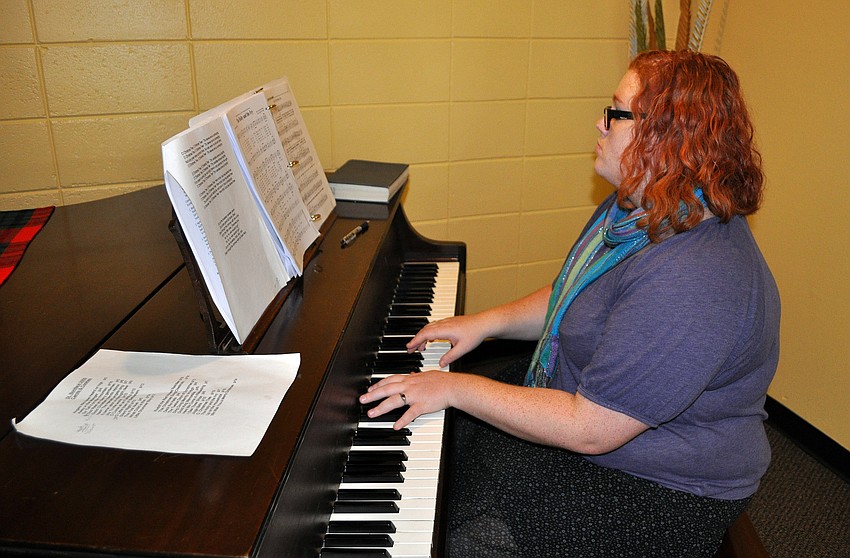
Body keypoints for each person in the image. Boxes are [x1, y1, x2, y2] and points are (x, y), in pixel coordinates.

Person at [360, 50, 781, 557]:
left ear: (665, 139)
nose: (599, 123)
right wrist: (485, 323)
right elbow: (575, 294)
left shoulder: (695, 277)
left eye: (616, 112)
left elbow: (591, 429)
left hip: (659, 485)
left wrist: (457, 388)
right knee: (446, 448)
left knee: (467, 537)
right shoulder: (638, 205)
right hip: (597, 410)